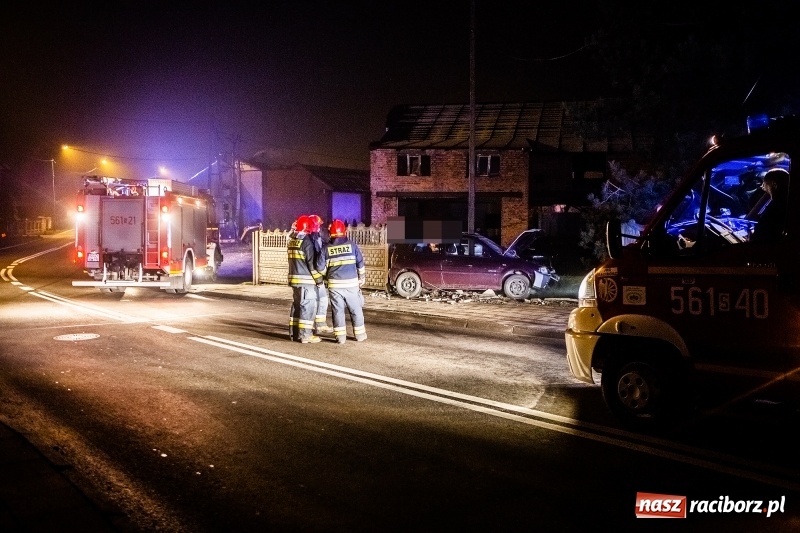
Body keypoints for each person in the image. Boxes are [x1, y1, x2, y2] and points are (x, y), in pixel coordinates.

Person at [322, 219, 367, 344]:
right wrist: (362, 277)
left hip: (334, 286)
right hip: (351, 285)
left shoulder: (326, 248)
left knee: (338, 311)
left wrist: (326, 277)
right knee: (356, 310)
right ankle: (360, 335)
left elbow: (320, 268)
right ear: (344, 231)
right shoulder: (352, 245)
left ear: (330, 233)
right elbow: (360, 263)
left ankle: (341, 338)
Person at [287, 215, 326, 343]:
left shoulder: (292, 240)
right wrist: (319, 281)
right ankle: (306, 335)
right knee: (308, 308)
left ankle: (294, 333)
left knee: (297, 306)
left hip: (294, 280)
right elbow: (312, 265)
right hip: (306, 282)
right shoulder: (307, 242)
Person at [307, 214, 333, 334]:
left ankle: (315, 324)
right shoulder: (309, 241)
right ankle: (318, 325)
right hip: (314, 276)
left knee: (319, 300)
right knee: (321, 299)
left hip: (314, 275)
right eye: (317, 225)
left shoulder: (315, 238)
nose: (319, 228)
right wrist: (318, 279)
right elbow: (312, 261)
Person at [750, 168, 789, 243]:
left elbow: (761, 234)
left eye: (764, 184)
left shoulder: (776, 208)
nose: (763, 187)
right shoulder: (784, 203)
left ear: (774, 184)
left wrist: (752, 235)